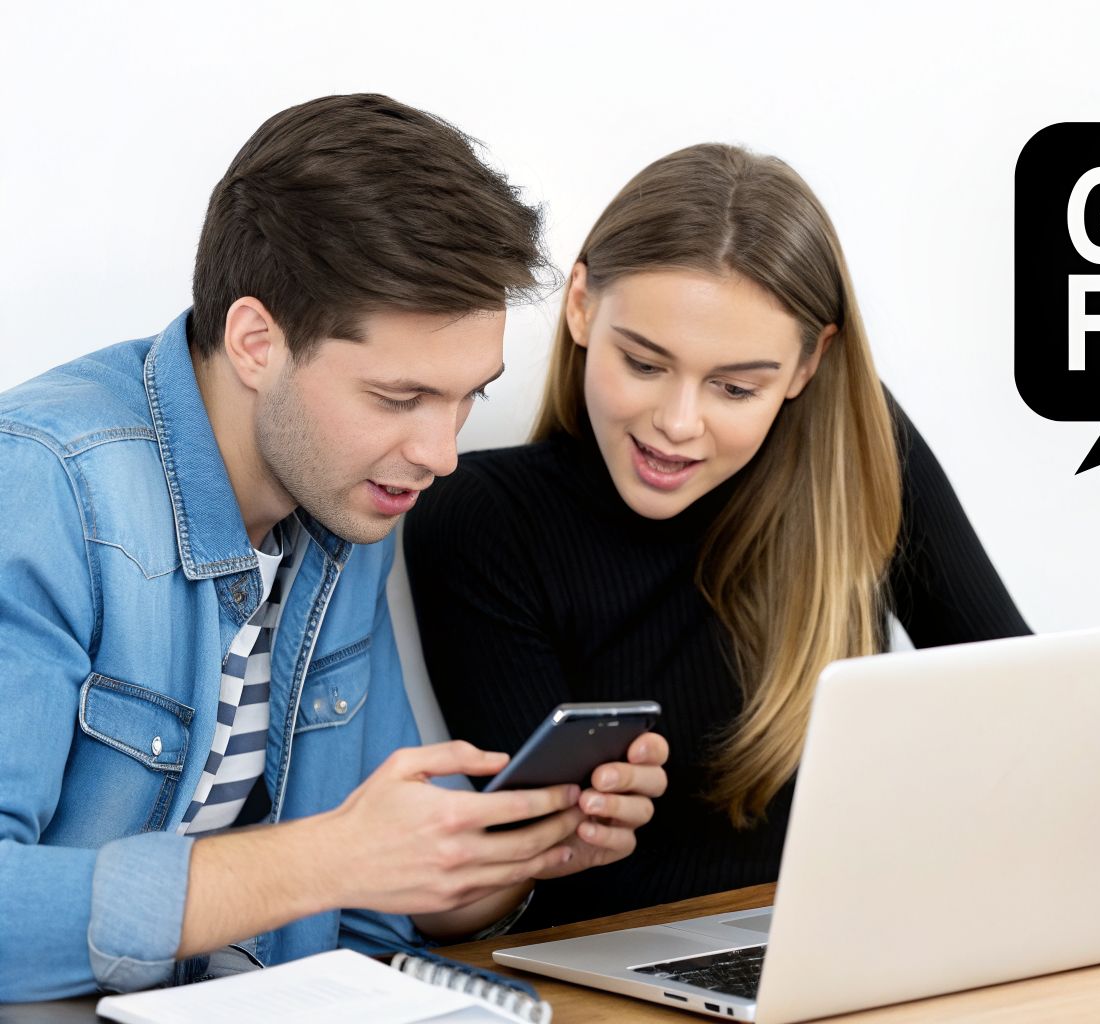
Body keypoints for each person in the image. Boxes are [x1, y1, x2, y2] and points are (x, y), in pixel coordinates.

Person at [404, 143, 1100, 932]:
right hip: (608, 974)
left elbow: (1036, 704)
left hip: (863, 939)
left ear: (807, 365)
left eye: (736, 388)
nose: (678, 423)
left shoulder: (857, 454)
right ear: (582, 305)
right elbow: (536, 872)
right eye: (646, 364)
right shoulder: (480, 517)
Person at [0, 94, 669, 1003]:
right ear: (256, 342)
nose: (441, 454)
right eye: (399, 398)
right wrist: (323, 859)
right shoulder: (41, 488)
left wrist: (521, 851)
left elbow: (373, 911)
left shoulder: (349, 504)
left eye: (469, 396)